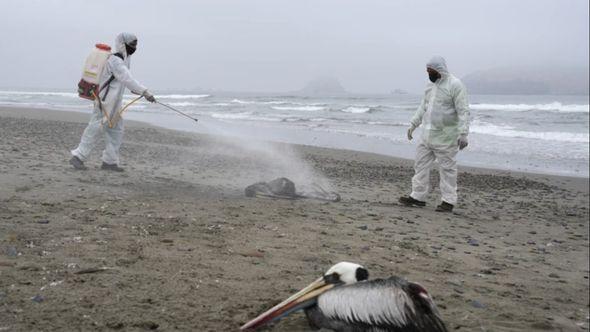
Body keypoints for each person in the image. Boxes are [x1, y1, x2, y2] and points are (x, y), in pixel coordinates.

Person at [70, 32, 156, 172]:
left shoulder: (124, 60)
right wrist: (145, 92)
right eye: (132, 44)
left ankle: (109, 162)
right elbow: (127, 79)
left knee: (116, 131)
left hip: (115, 104)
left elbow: (123, 81)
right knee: (95, 129)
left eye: (136, 44)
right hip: (104, 102)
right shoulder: (115, 60)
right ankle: (78, 157)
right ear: (123, 43)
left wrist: (138, 91)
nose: (134, 47)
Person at [399, 56, 470, 212]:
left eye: (431, 71)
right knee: (420, 165)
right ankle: (417, 197)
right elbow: (423, 106)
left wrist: (463, 134)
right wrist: (413, 124)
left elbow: (463, 111)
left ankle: (448, 201)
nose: (428, 73)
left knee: (447, 169)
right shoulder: (430, 85)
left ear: (440, 70)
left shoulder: (455, 85)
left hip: (446, 136)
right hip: (427, 135)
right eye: (427, 71)